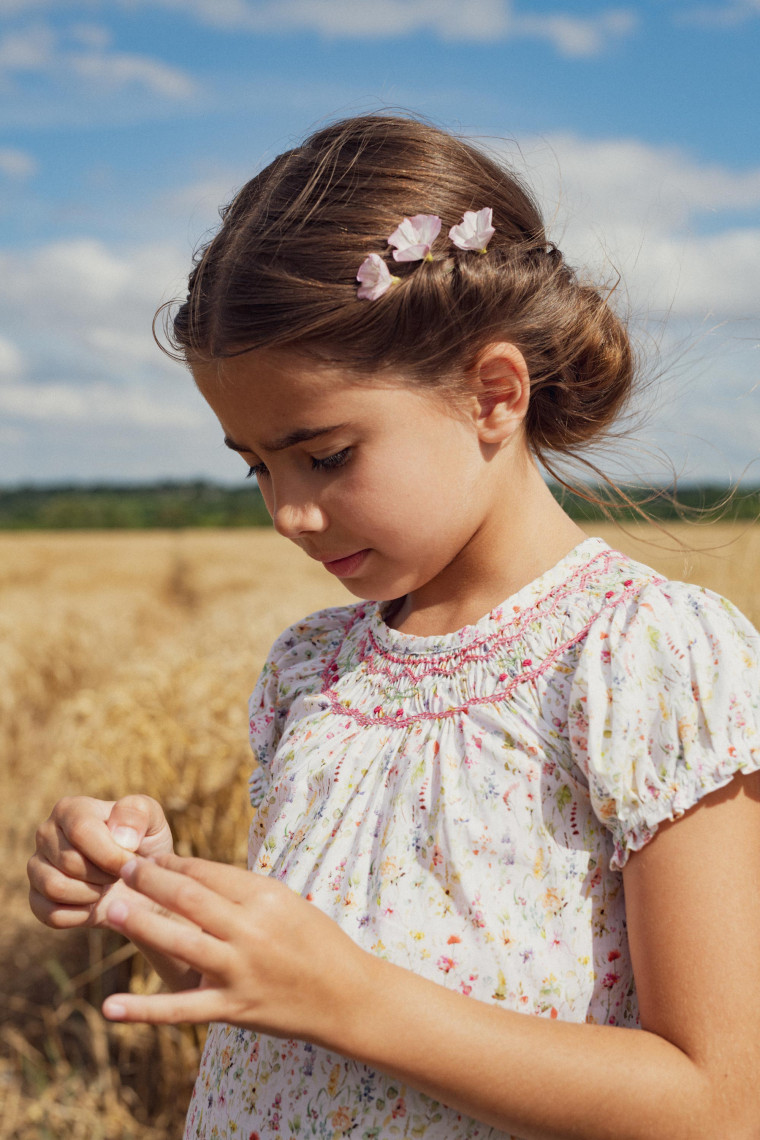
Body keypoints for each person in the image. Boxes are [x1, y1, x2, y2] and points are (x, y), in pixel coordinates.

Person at [28, 114, 760, 1140]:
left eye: (322, 455)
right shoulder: (311, 669)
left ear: (492, 393)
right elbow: (291, 1009)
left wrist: (351, 999)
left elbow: (720, 1104)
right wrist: (155, 896)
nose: (286, 511)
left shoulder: (643, 658)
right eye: (256, 465)